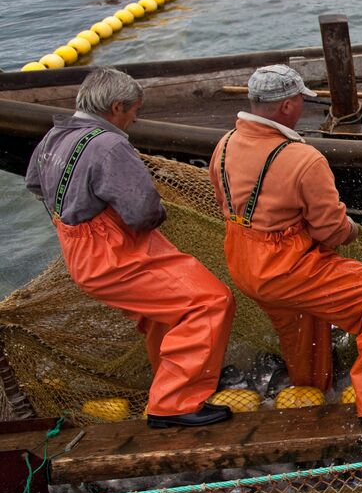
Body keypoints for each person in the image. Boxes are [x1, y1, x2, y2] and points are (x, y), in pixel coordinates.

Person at [25, 67, 235, 428]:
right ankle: (173, 404)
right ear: (117, 107)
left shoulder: (53, 137)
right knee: (210, 302)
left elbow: (33, 184)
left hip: (77, 249)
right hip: (112, 252)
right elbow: (142, 213)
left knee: (163, 313)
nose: (135, 119)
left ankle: (169, 379)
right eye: (134, 111)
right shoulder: (110, 145)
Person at [210, 65, 362, 422]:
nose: (303, 105)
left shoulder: (223, 145)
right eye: (300, 99)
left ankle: (311, 391)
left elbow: (225, 203)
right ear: (287, 106)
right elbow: (330, 230)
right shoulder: (303, 158)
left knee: (301, 325)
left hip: (243, 262)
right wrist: (354, 231)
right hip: (286, 264)